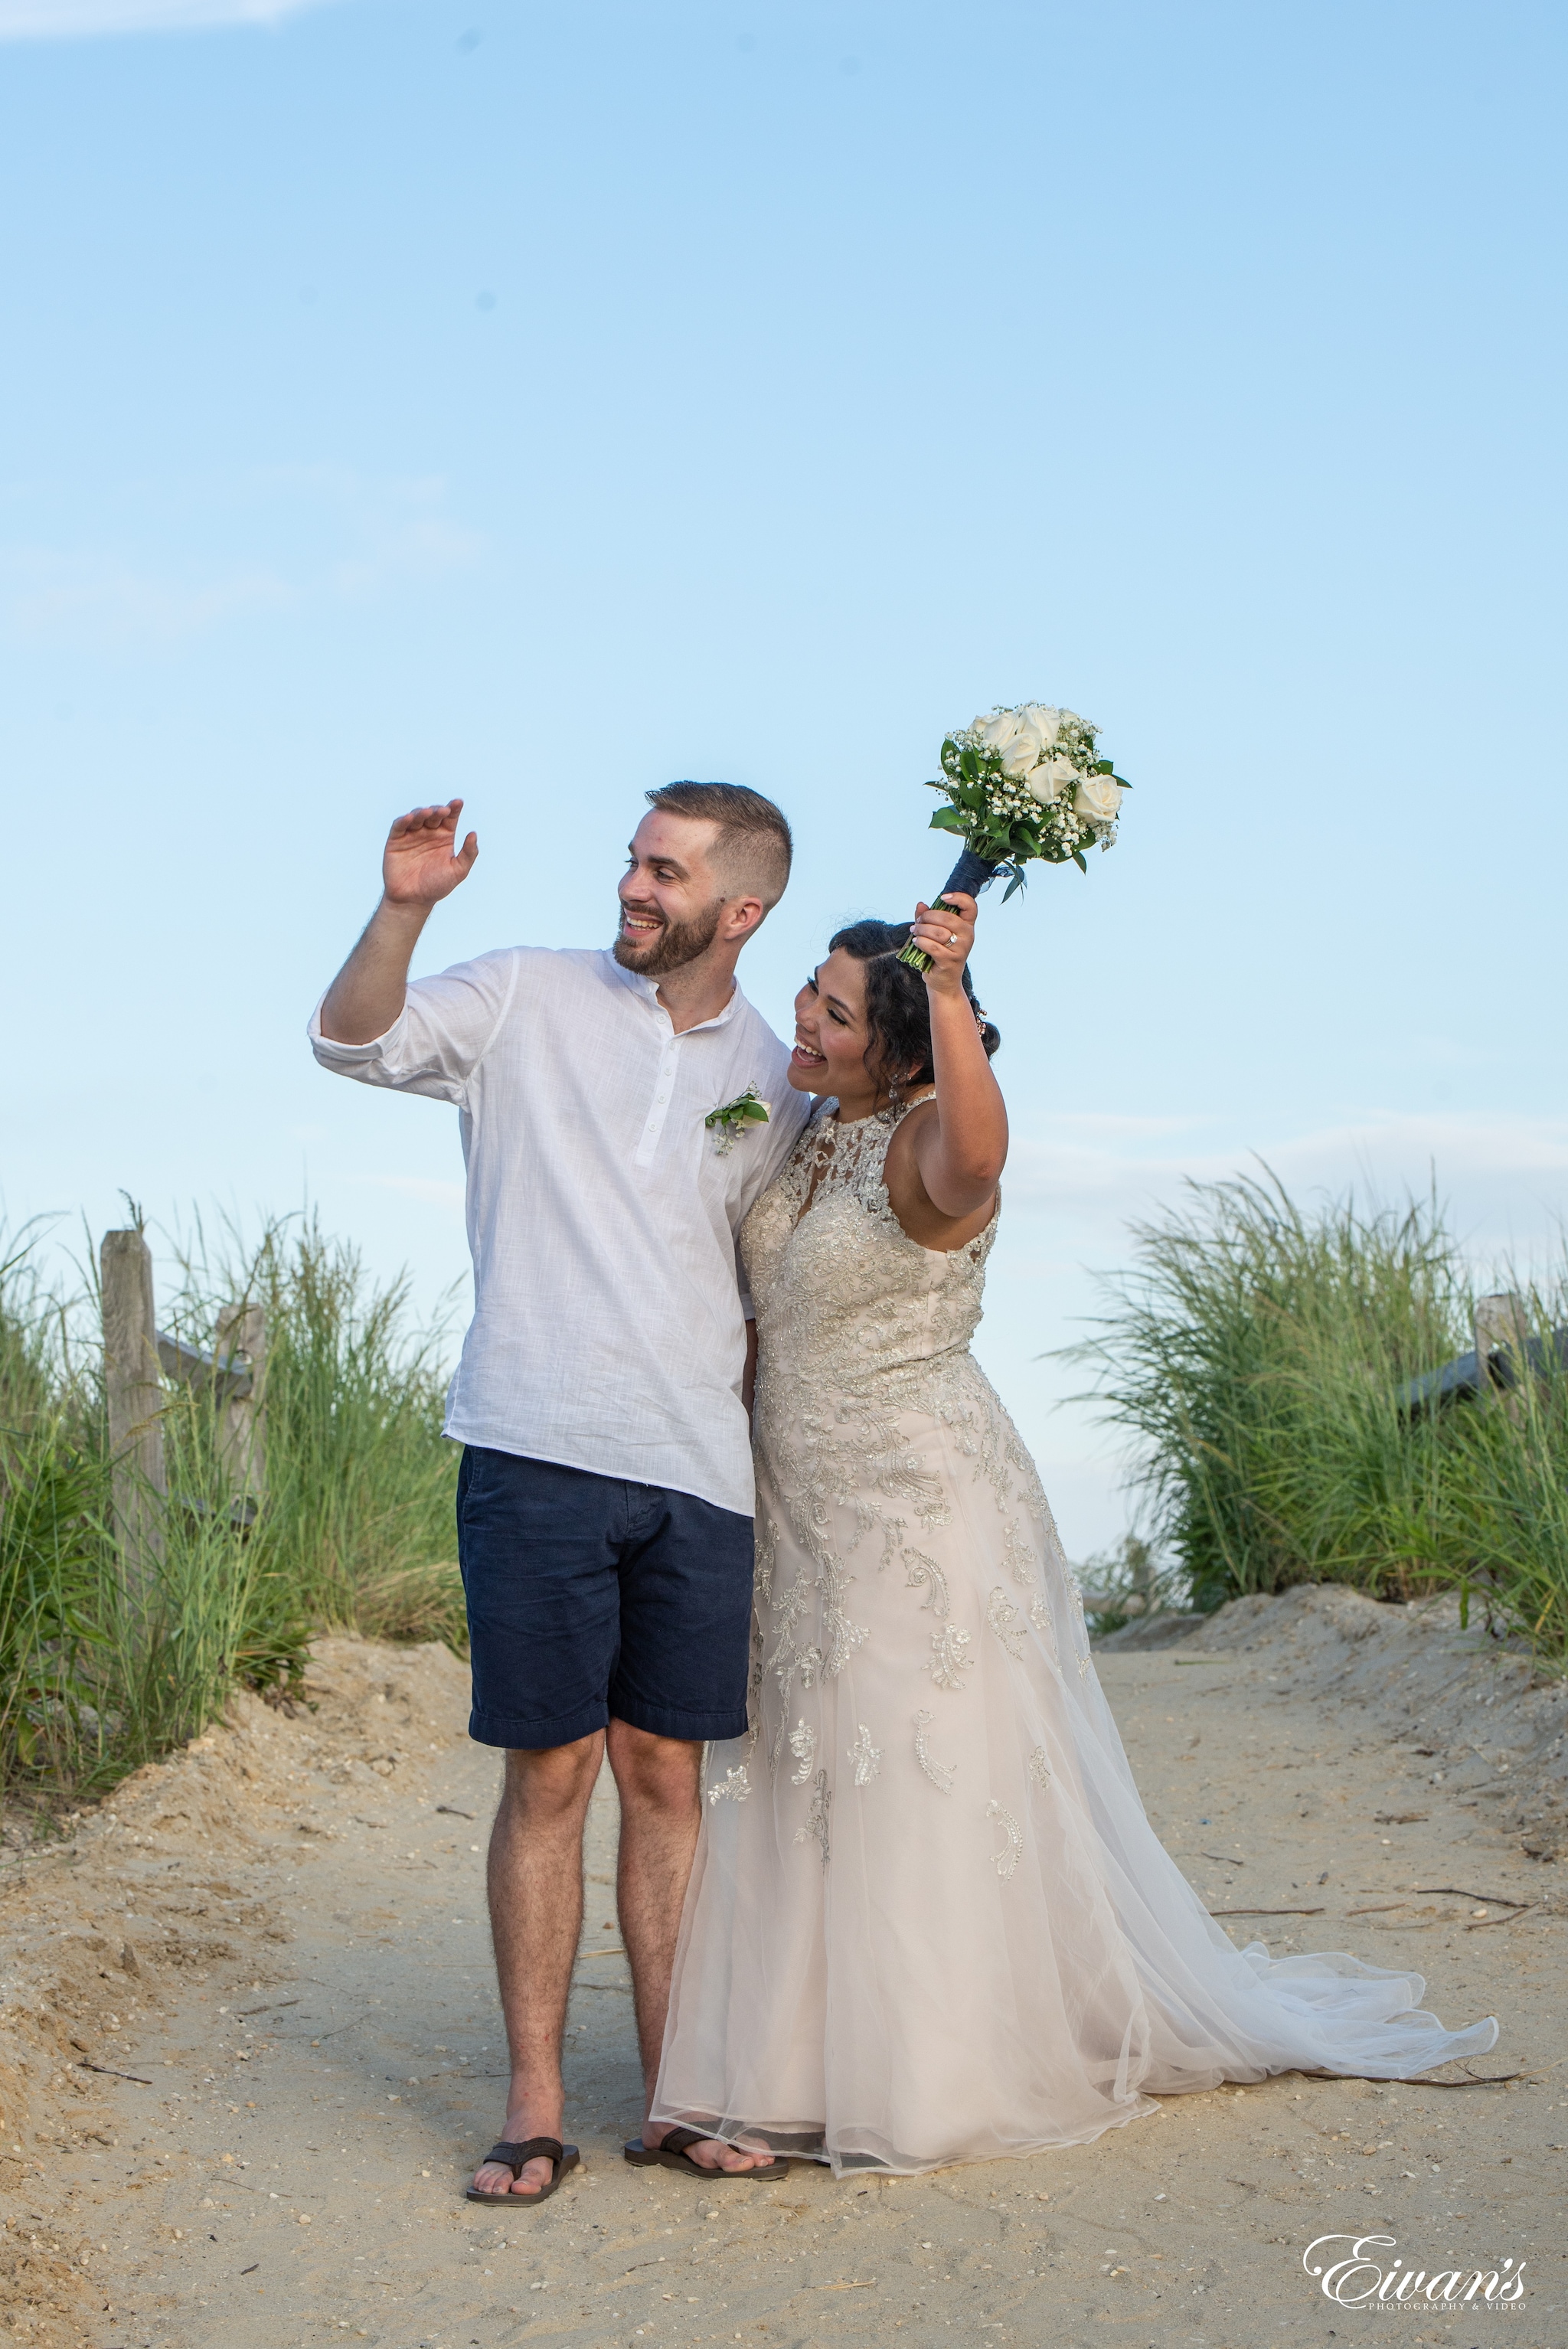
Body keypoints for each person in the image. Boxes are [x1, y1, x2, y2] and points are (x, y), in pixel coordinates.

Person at [649, 890, 1499, 2177]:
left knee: (902, 1766)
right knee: (802, 1768)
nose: (803, 1023)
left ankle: (923, 2073)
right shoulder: (815, 1130)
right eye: (810, 998)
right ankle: (785, 2070)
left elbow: (981, 1165)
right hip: (797, 1497)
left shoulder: (936, 1142)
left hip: (913, 1499)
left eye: (830, 1010)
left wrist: (945, 987)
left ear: (903, 1048)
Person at [310, 782, 812, 2200]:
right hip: (534, 1446)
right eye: (635, 862)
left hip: (700, 1473)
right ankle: (535, 2101)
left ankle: (677, 2089)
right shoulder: (522, 991)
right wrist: (405, 908)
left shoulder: (775, 1072)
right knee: (553, 1774)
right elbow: (351, 1041)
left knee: (668, 1778)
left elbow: (769, 1286)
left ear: (743, 908)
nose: (635, 887)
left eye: (666, 871)